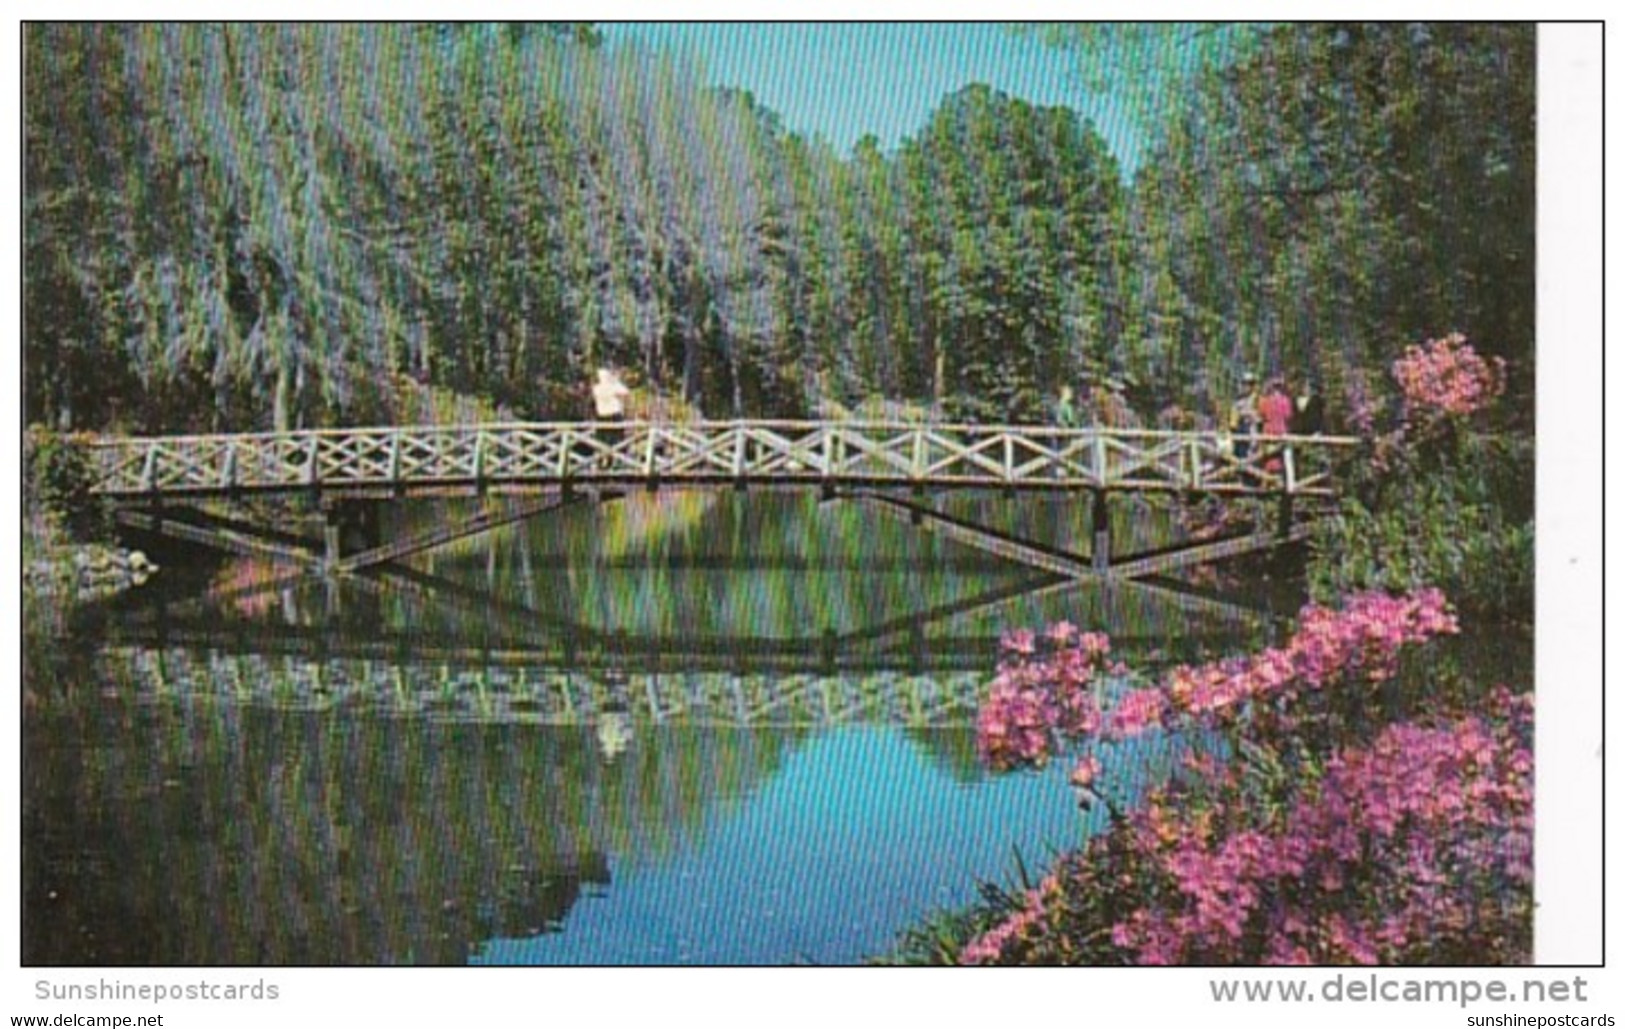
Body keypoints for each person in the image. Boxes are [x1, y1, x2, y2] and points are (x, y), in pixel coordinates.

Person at [589, 367, 632, 472]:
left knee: (602, 441)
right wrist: (616, 380)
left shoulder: (596, 388)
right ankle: (614, 462)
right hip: (614, 416)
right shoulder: (613, 387)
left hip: (601, 416)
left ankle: (600, 462)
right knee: (616, 440)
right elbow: (626, 392)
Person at [1229, 373, 1261, 460]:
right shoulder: (1238, 400)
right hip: (1240, 430)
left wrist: (1251, 415)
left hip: (1252, 430)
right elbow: (1233, 418)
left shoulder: (1257, 399)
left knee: (1252, 455)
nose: (1246, 386)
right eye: (1244, 384)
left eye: (1249, 384)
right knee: (1239, 455)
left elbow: (1260, 417)